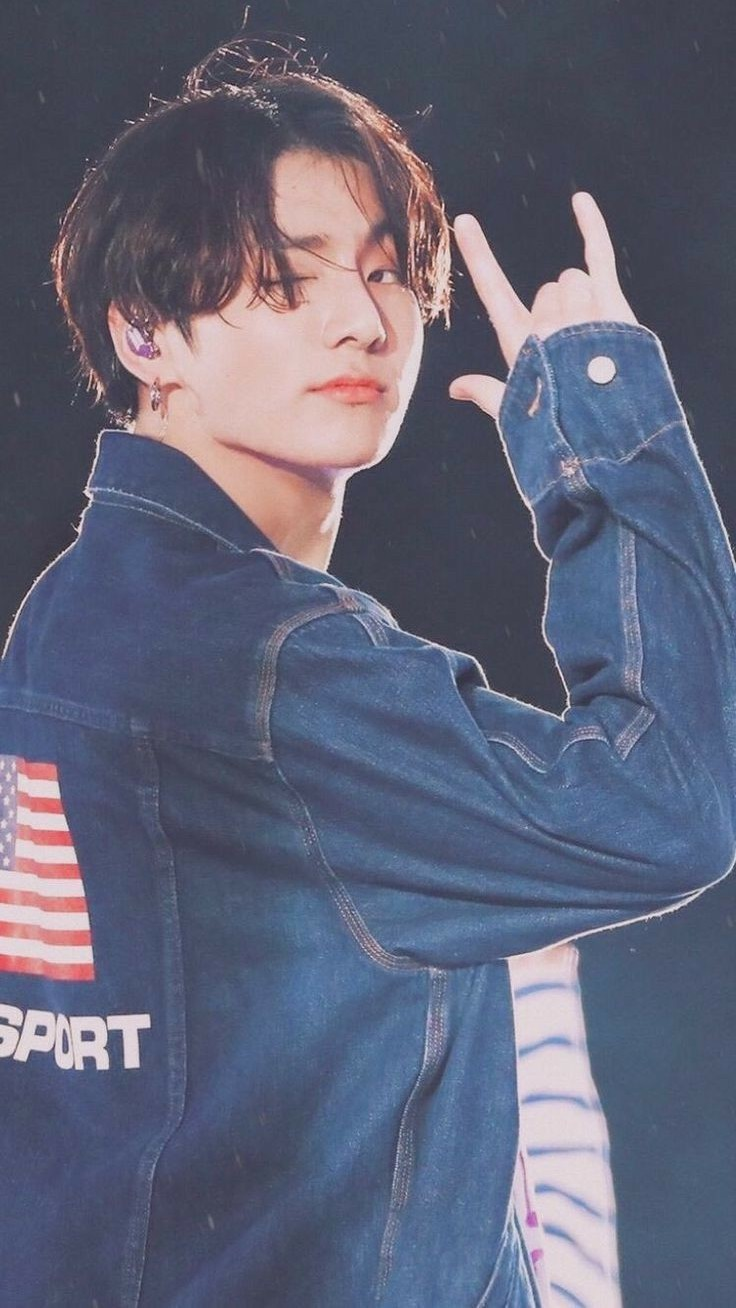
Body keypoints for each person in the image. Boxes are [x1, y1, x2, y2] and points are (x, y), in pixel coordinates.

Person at [1, 37, 734, 1308]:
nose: (365, 319)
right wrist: (605, 431)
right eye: (285, 281)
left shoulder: (76, 608)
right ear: (143, 331)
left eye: (388, 270)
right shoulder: (266, 658)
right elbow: (667, 807)